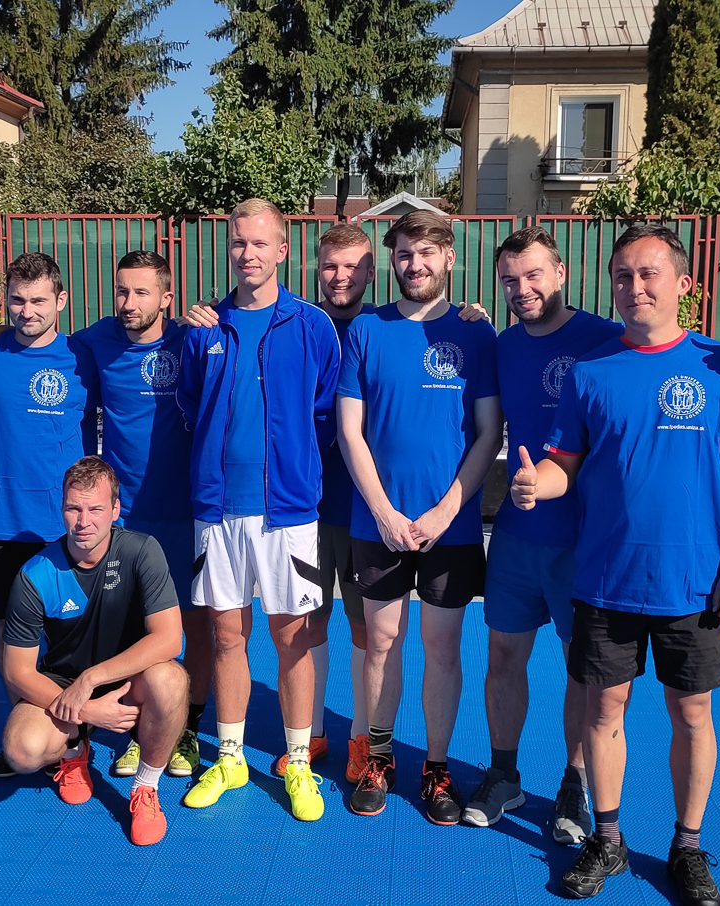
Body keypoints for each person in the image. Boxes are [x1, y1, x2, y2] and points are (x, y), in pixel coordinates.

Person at [463, 227, 720, 839]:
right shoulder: (503, 344)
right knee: (506, 657)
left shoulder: (605, 339)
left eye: (534, 274)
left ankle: (576, 789)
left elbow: (672, 345)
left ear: (561, 274)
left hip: (591, 547)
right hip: (525, 533)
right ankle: (505, 776)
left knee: (593, 684)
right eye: (509, 279)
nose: (522, 288)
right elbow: (555, 453)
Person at [184, 224, 489, 785]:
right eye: (330, 265)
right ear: (314, 268)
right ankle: (315, 732)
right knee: (309, 624)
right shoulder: (303, 324)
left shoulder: (383, 327)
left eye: (353, 266)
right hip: (308, 510)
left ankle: (363, 740)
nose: (341, 276)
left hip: (365, 512)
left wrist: (468, 315)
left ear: (372, 271)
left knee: (368, 630)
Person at [176, 198, 341, 821]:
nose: (248, 254)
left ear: (282, 251)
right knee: (225, 636)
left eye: (259, 243)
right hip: (215, 509)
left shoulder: (312, 325)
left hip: (288, 512)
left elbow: (324, 411)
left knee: (293, 637)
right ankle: (231, 758)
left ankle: (298, 763)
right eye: (238, 243)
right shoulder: (203, 327)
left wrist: (292, 462)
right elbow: (189, 404)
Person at [337, 210, 502, 825]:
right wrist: (383, 512)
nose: (416, 264)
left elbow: (489, 433)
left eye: (427, 252)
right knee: (380, 642)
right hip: (376, 524)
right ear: (392, 259)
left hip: (449, 528)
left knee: (442, 646)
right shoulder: (367, 330)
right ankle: (378, 758)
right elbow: (350, 431)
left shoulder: (475, 334)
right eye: (405, 253)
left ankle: (436, 767)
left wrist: (444, 511)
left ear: (449, 258)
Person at [73, 251, 213, 779]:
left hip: (188, 512)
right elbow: (38, 338)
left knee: (194, 624)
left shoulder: (191, 338)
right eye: (122, 291)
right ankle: (138, 730)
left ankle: (188, 728)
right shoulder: (96, 341)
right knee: (135, 629)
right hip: (126, 518)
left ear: (166, 298)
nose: (129, 303)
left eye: (141, 292)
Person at [1, 456, 188, 847]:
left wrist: (92, 679)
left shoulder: (141, 551)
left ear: (115, 510)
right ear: (62, 509)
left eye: (96, 509)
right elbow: (17, 672)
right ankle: (74, 749)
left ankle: (146, 788)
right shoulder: (35, 574)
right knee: (21, 751)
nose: (83, 521)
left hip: (126, 683)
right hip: (63, 685)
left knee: (171, 679)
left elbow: (170, 639)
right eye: (74, 508)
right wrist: (85, 709)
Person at [0, 252, 99, 778]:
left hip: (70, 523)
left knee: (75, 633)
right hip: (3, 520)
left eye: (39, 300)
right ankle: (30, 726)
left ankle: (75, 741)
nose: (27, 311)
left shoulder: (84, 357)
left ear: (61, 300)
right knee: (11, 636)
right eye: (17, 300)